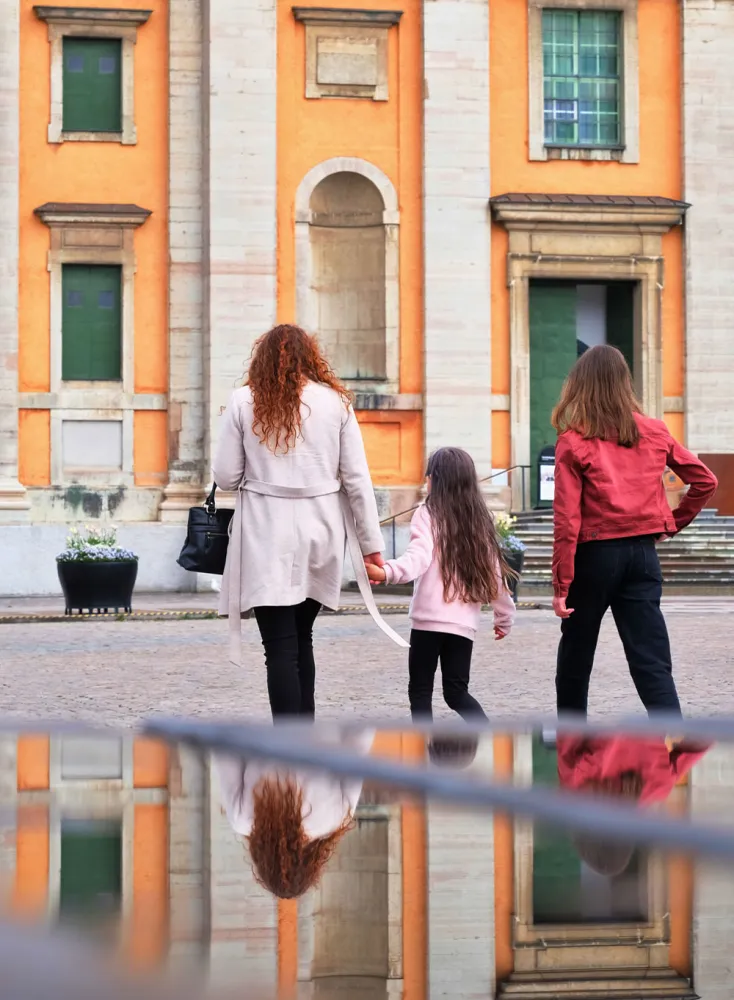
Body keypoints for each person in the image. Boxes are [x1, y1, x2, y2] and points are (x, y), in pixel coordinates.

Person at [212, 324, 407, 719]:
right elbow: (357, 480)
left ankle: (289, 746)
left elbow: (225, 478)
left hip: (266, 534)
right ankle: (305, 739)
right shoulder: (336, 404)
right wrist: (373, 547)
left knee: (280, 647)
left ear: (262, 359)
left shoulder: (242, 402)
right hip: (322, 532)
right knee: (303, 638)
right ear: (310, 357)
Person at [552, 345, 718, 717]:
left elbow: (566, 521)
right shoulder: (654, 430)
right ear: (625, 384)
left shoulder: (573, 440)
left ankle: (573, 751)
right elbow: (705, 481)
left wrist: (562, 585)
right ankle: (673, 750)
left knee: (576, 659)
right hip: (643, 556)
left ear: (580, 385)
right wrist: (672, 524)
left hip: (594, 556)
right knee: (651, 660)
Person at [365, 447, 515, 720]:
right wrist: (504, 616)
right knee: (457, 692)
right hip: (462, 627)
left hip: (428, 623)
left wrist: (386, 572)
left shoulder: (428, 514)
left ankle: (425, 750)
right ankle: (486, 736)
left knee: (420, 691)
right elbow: (496, 575)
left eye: (429, 476)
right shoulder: (480, 521)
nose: (426, 481)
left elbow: (417, 559)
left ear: (437, 479)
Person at [214, 726, 375, 898]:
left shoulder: (338, 817)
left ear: (312, 864)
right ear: (263, 862)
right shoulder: (242, 819)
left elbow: (358, 744)